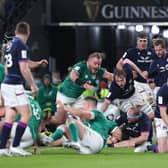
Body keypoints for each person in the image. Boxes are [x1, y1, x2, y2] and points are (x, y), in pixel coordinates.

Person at [0, 21, 38, 156]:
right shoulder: (22, 45)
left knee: (10, 115)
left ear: (16, 32)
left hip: (6, 83)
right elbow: (24, 68)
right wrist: (32, 85)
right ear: (28, 32)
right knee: (27, 114)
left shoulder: (9, 44)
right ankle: (15, 146)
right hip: (15, 84)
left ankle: (2, 148)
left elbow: (5, 67)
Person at [40, 96, 121, 154]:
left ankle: (75, 142)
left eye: (83, 105)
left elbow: (82, 114)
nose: (82, 107)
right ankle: (50, 139)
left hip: (98, 141)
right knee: (64, 127)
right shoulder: (84, 125)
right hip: (89, 148)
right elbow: (64, 139)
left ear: (88, 105)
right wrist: (52, 143)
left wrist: (65, 108)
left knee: (70, 120)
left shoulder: (97, 113)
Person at [52, 52, 113, 124]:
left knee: (83, 117)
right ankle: (44, 123)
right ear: (89, 61)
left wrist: (123, 77)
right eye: (95, 63)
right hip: (64, 95)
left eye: (99, 64)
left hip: (77, 97)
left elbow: (111, 76)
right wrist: (85, 85)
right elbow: (73, 76)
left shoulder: (98, 71)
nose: (97, 66)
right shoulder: (81, 66)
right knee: (59, 120)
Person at [116, 32, 156, 101]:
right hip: (137, 83)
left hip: (150, 83)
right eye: (140, 41)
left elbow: (158, 66)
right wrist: (129, 73)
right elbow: (118, 65)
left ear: (147, 42)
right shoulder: (130, 52)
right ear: (137, 42)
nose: (142, 43)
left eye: (144, 41)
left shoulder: (153, 52)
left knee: (152, 105)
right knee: (140, 104)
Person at [149, 82, 168, 153]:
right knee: (162, 150)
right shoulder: (162, 91)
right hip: (161, 117)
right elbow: (163, 113)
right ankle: (153, 147)